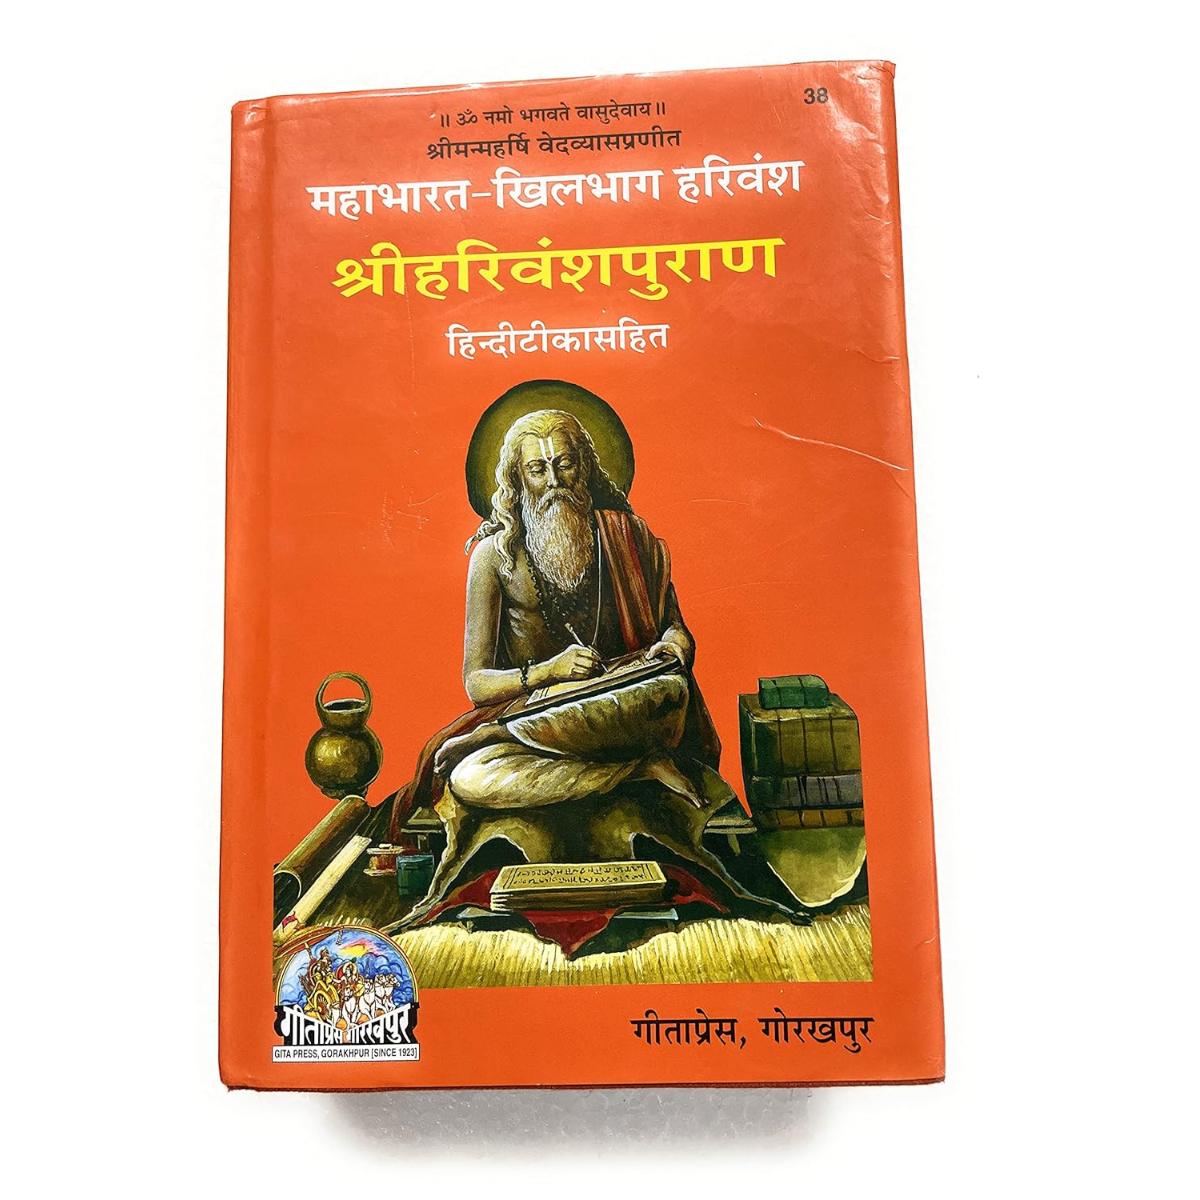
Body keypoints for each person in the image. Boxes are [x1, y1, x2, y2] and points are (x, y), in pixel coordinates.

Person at [386, 407, 789, 922]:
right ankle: (636, 770)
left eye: (565, 464)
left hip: (625, 705)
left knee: (669, 691)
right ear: (517, 479)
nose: (554, 481)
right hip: (538, 721)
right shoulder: (493, 556)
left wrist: (674, 649)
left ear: (587, 468)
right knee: (470, 777)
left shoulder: (628, 538)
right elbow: (477, 683)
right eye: (538, 469)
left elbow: (674, 629)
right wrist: (549, 672)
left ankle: (622, 757)